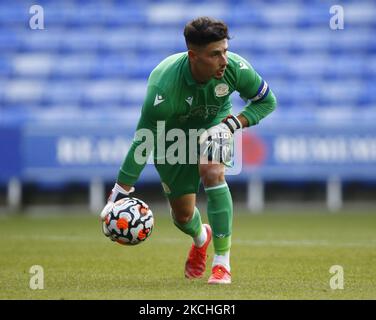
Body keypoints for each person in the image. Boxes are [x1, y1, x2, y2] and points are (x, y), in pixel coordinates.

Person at [100, 16, 277, 284]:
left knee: (212, 170)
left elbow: (266, 102)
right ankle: (201, 238)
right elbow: (144, 140)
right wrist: (118, 194)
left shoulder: (235, 69)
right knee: (183, 216)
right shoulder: (163, 87)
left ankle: (222, 264)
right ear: (193, 56)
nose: (224, 60)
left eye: (225, 51)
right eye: (215, 54)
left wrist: (230, 124)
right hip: (171, 139)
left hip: (216, 126)